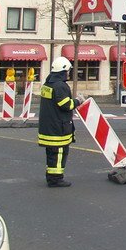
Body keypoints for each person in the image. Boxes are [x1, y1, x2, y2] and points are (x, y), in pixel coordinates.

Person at [38, 57, 79, 188]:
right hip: (58, 128)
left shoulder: (47, 84)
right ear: (63, 71)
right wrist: (79, 101)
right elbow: (66, 105)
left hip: (48, 127)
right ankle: (56, 179)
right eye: (67, 71)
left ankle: (50, 176)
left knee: (51, 155)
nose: (68, 74)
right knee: (59, 154)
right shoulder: (60, 86)